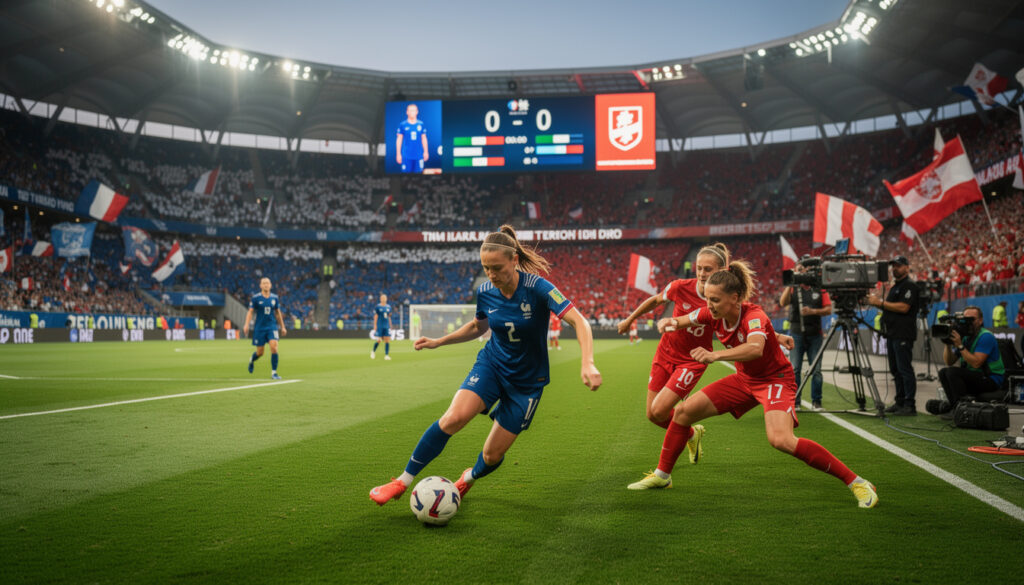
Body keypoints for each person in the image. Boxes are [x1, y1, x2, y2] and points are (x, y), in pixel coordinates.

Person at [369, 225, 601, 507]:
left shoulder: (538, 288)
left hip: (527, 383)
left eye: (496, 267)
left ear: (514, 260)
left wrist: (587, 362)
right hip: (492, 364)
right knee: (453, 418)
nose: (491, 274)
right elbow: (478, 327)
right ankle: (401, 481)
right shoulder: (486, 291)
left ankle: (468, 478)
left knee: (491, 457)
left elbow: (579, 321)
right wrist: (439, 341)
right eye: (485, 268)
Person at [649, 262, 878, 508]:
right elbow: (683, 320)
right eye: (707, 299)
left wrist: (714, 355)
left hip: (774, 380)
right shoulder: (711, 312)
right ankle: (663, 476)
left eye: (714, 299)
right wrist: (668, 324)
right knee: (683, 412)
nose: (708, 305)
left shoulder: (754, 316)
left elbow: (755, 348)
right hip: (744, 380)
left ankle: (858, 482)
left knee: (781, 440)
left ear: (734, 298)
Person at [616, 243, 731, 490]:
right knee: (653, 414)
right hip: (664, 354)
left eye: (708, 269)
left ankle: (663, 474)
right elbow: (656, 300)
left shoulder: (723, 300)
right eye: (699, 268)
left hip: (691, 362)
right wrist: (630, 319)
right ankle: (691, 433)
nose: (701, 273)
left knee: (662, 410)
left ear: (722, 270)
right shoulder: (680, 287)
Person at [865, 256, 920, 416]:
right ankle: (900, 401)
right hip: (893, 333)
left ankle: (910, 405)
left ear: (907, 268)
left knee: (904, 369)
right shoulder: (896, 287)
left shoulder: (910, 286)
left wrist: (879, 303)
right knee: (895, 370)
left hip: (903, 333)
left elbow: (904, 307)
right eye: (893, 266)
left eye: (898, 266)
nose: (895, 268)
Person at [779, 265, 832, 411]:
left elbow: (829, 309)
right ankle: (795, 401)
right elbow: (783, 303)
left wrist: (813, 311)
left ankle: (817, 401)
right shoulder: (793, 288)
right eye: (802, 270)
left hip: (815, 334)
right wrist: (790, 282)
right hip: (796, 334)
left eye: (808, 270)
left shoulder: (819, 287)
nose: (805, 273)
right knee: (795, 368)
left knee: (816, 369)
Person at [937, 306, 1005, 414]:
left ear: (980, 320)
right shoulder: (965, 337)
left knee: (952, 372)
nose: (968, 322)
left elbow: (976, 363)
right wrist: (948, 343)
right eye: (965, 319)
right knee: (943, 372)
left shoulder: (986, 336)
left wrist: (960, 345)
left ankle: (962, 409)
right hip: (976, 376)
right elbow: (949, 361)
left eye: (971, 319)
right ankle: (955, 406)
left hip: (991, 378)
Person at [243, 277, 287, 380]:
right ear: (260, 286)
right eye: (264, 283)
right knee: (260, 352)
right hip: (260, 328)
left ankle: (274, 373)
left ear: (271, 285)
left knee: (274, 347)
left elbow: (278, 312)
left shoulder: (274, 298)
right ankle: (251, 360)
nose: (266, 285)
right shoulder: (256, 298)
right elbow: (250, 312)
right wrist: (246, 324)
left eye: (267, 283)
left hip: (272, 326)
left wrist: (283, 327)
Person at [396, 103, 428, 174]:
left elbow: (424, 138)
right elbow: (399, 139)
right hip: (406, 156)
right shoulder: (403, 125)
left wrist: (426, 151)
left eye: (414, 110)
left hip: (419, 155)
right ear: (407, 112)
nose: (412, 112)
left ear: (417, 112)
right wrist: (398, 154)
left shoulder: (421, 124)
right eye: (410, 110)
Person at [371, 293, 392, 360]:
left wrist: (390, 324)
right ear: (380, 299)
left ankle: (386, 355)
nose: (384, 299)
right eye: (382, 298)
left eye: (385, 298)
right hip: (380, 326)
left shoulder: (389, 307)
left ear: (386, 299)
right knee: (379, 340)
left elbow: (389, 316)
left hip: (386, 326)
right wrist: (375, 325)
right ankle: (373, 351)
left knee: (387, 340)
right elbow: (376, 316)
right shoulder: (378, 307)